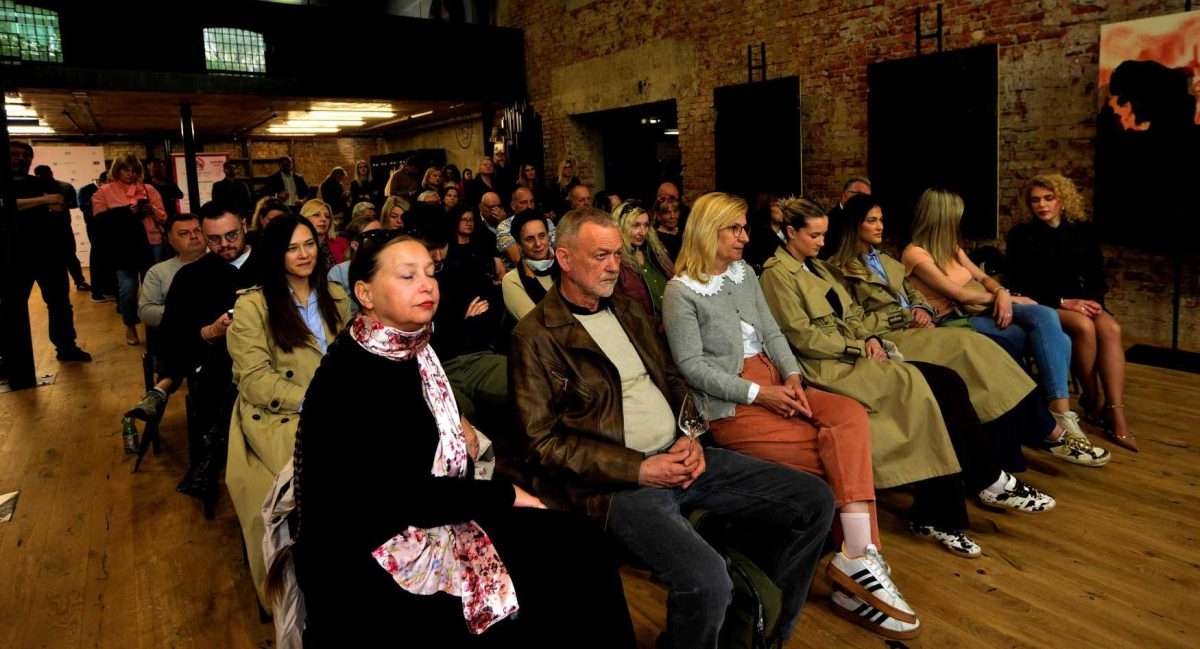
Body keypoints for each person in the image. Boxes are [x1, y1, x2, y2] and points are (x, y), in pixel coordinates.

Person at [511, 207, 835, 649]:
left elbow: (674, 380)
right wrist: (639, 469)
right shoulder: (536, 336)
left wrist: (692, 435)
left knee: (814, 500)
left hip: (682, 456)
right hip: (619, 485)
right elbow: (542, 445)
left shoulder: (628, 310)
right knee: (707, 581)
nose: (614, 266)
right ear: (564, 259)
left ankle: (757, 633)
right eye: (601, 255)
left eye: (618, 255)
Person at [293, 233, 635, 647]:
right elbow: (405, 496)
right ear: (364, 293)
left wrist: (458, 421)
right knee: (566, 564)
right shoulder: (354, 375)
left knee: (581, 546)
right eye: (407, 276)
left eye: (430, 273)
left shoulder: (407, 345)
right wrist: (507, 494)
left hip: (430, 508)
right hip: (378, 546)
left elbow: (420, 440)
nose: (427, 286)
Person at [662, 193, 919, 640]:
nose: (745, 237)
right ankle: (859, 566)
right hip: (732, 403)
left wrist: (794, 375)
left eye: (745, 228)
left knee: (849, 415)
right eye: (735, 229)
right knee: (829, 462)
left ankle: (855, 559)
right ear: (708, 231)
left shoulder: (744, 275)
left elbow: (773, 333)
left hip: (777, 379)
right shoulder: (680, 291)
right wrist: (760, 393)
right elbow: (693, 368)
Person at [758, 196, 1056, 557]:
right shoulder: (776, 275)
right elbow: (803, 337)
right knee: (925, 388)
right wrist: (860, 345)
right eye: (815, 236)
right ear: (791, 232)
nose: (822, 242)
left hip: (857, 353)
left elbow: (852, 316)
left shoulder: (818, 268)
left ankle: (973, 487)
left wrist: (870, 337)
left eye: (824, 235)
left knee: (946, 382)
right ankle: (965, 497)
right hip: (828, 367)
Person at [829, 193, 1083, 474]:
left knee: (990, 348)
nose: (880, 226)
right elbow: (855, 320)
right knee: (974, 347)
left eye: (881, 220)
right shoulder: (840, 270)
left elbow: (912, 293)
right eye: (872, 221)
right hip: (895, 337)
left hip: (920, 328)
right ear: (855, 225)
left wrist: (920, 308)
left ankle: (1040, 434)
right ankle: (1048, 433)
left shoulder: (885, 260)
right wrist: (905, 315)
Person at [902, 188, 1110, 466]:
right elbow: (958, 294)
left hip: (976, 309)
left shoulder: (951, 247)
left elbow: (983, 278)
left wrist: (1000, 291)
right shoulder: (915, 253)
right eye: (956, 216)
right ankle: (1042, 421)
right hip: (950, 319)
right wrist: (1006, 297)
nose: (960, 220)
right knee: (1032, 337)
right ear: (943, 217)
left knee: (1045, 316)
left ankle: (1060, 412)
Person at [226, 214, 351, 611]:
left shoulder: (337, 296)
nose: (303, 254)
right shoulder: (253, 305)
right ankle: (311, 590)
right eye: (292, 247)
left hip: (334, 402)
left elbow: (355, 358)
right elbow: (255, 380)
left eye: (309, 244)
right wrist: (315, 400)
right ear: (275, 254)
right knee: (319, 475)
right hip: (279, 412)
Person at [1007, 174, 1136, 451]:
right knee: (1084, 326)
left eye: (1049, 198)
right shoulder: (1021, 236)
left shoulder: (1083, 231)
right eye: (1035, 200)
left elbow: (1097, 275)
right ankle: (1092, 398)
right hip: (1045, 303)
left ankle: (1116, 412)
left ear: (1063, 201)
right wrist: (1065, 301)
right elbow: (1021, 285)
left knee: (1111, 329)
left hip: (1083, 301)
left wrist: (1093, 302)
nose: (1042, 205)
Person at [158, 202, 263, 499]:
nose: (224, 245)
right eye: (214, 239)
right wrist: (210, 332)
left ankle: (211, 458)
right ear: (203, 236)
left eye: (231, 235)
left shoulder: (272, 265)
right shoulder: (190, 277)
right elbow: (170, 339)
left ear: (244, 225)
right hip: (218, 367)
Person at [9, 141, 91, 362]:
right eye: (15, 154)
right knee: (12, 306)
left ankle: (66, 347)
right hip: (14, 256)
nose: (21, 158)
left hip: (48, 254)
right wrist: (43, 201)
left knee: (60, 304)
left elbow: (58, 205)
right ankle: (10, 355)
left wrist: (28, 205)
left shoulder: (42, 182)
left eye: (26, 155)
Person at [126, 212, 209, 422]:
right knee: (187, 333)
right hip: (178, 338)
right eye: (184, 233)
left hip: (217, 336)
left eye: (198, 230)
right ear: (171, 240)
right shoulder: (159, 272)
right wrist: (184, 315)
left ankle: (163, 385)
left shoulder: (221, 263)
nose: (194, 236)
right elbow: (146, 311)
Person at [91, 154, 168, 346]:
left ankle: (156, 326)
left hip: (152, 242)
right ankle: (130, 324)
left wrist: (151, 210)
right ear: (117, 170)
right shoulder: (104, 191)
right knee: (127, 289)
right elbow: (99, 221)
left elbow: (164, 217)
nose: (130, 174)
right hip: (123, 246)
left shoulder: (148, 189)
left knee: (155, 288)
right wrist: (127, 212)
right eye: (126, 169)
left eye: (134, 170)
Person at [33, 164, 88, 291]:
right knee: (61, 258)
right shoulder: (35, 188)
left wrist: (61, 205)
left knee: (70, 256)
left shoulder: (65, 187)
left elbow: (74, 204)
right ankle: (73, 283)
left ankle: (79, 281)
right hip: (44, 229)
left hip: (62, 227)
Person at [614, 200, 673, 318]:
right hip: (645, 325)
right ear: (621, 226)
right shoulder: (617, 261)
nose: (643, 232)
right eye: (636, 225)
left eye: (646, 225)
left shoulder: (654, 252)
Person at [501, 211, 557, 320]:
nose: (538, 244)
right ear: (519, 244)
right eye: (529, 239)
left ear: (548, 236)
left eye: (542, 236)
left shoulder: (566, 267)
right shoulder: (512, 280)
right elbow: (536, 324)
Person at [327, 215, 382, 314]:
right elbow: (340, 312)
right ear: (355, 245)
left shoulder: (391, 268)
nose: (379, 241)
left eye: (381, 235)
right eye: (372, 236)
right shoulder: (339, 272)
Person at [496, 187, 557, 267]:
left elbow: (558, 248)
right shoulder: (504, 227)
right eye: (523, 202)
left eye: (531, 202)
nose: (529, 206)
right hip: (519, 272)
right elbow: (517, 259)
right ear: (513, 206)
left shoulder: (547, 222)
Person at [80, 170, 116, 301]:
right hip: (97, 231)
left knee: (106, 260)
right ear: (102, 181)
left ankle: (107, 290)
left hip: (107, 231)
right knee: (98, 260)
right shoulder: (87, 191)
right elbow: (88, 212)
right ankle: (98, 293)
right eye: (110, 182)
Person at [820, 176, 872, 260]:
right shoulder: (829, 221)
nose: (862, 199)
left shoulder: (868, 220)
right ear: (844, 195)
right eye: (857, 194)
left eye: (866, 197)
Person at [299, 199, 336, 269]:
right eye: (316, 215)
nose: (324, 219)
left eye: (327, 216)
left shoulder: (341, 244)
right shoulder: (293, 244)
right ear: (304, 218)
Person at [653, 195, 683, 260]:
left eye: (675, 211)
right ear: (658, 216)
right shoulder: (656, 238)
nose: (672, 216)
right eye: (667, 213)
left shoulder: (682, 232)